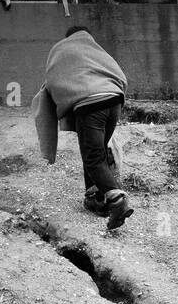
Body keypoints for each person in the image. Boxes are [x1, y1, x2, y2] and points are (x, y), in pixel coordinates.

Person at [32, 25, 134, 229]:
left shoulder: (61, 51)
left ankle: (116, 201)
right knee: (98, 151)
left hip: (89, 105)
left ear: (68, 38)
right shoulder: (95, 50)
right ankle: (97, 198)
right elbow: (120, 75)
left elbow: (53, 81)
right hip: (114, 101)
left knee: (93, 157)